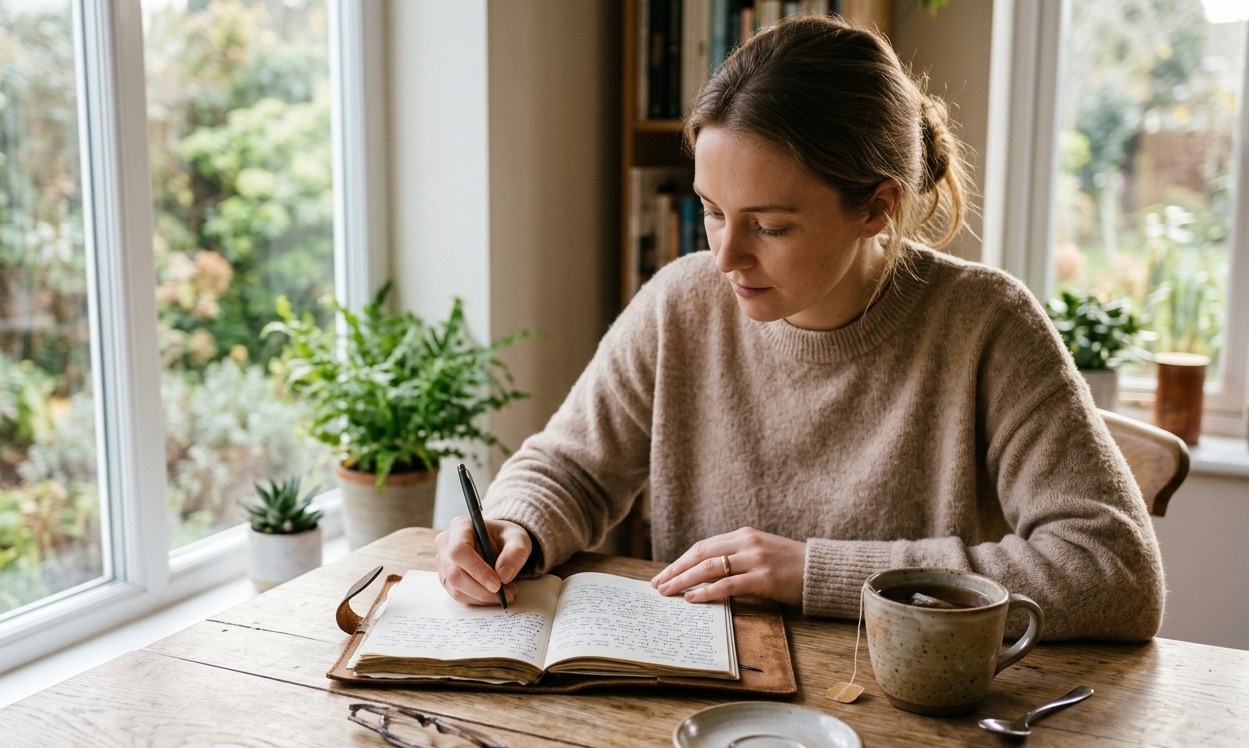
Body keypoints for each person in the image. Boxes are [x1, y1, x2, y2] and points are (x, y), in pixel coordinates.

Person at [435, 13, 1164, 641]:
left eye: (771, 225)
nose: (724, 256)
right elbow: (569, 468)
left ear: (877, 207)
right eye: (711, 211)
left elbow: (1113, 571)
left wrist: (817, 573)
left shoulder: (986, 326)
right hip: (705, 700)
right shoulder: (678, 303)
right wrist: (514, 526)